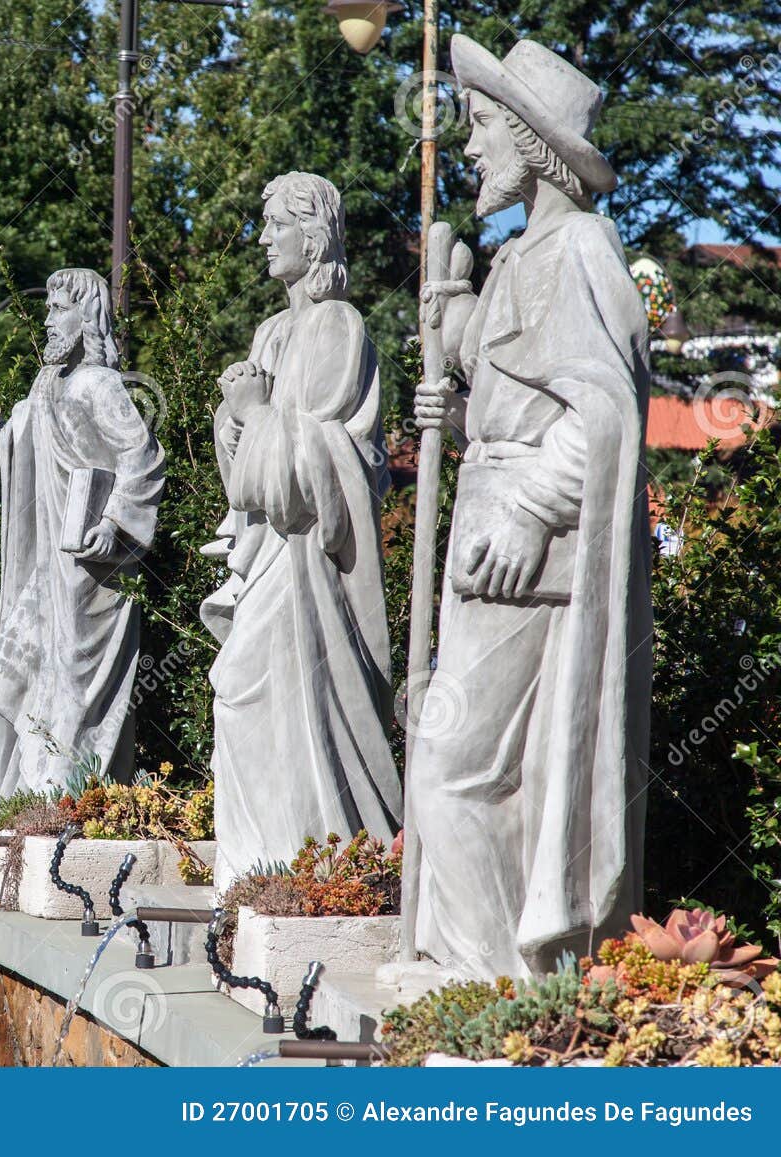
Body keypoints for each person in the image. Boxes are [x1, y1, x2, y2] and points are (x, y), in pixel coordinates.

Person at [408, 36, 651, 979]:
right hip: (491, 541)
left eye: (479, 127)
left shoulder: (579, 249)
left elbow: (601, 415)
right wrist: (458, 409)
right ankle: (489, 980)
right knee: (474, 771)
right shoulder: (523, 252)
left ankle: (488, 992)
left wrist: (529, 513)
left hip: (526, 554)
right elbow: (523, 401)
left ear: (534, 142)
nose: (468, 148)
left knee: (451, 771)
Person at [204, 171, 401, 884]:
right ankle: (260, 872)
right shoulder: (271, 331)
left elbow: (313, 471)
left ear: (312, 237)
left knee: (260, 694)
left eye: (274, 226)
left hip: (308, 564)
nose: (262, 239)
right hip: (269, 557)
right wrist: (233, 422)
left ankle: (303, 863)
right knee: (239, 696)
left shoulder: (336, 326)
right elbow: (247, 486)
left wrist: (255, 415)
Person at [0, 268, 165, 796]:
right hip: (46, 575)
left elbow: (144, 458)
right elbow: (1, 456)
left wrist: (115, 523)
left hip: (92, 577)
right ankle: (14, 809)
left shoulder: (99, 384)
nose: (46, 320)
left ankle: (58, 812)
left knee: (71, 709)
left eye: (56, 309)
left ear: (86, 315)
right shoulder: (45, 385)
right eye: (46, 308)